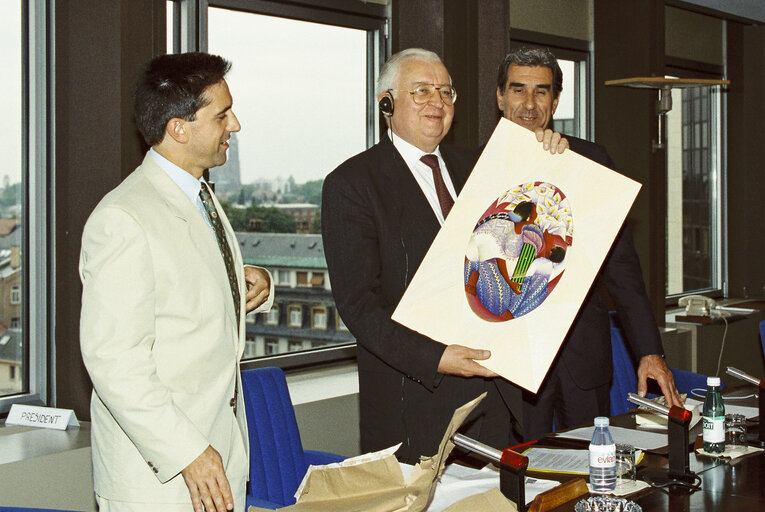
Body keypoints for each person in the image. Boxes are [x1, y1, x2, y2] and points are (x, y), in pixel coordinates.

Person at [321, 48, 564, 465]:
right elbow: (360, 308)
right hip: (414, 402)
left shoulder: (480, 167)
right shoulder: (352, 184)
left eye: (447, 92)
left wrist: (548, 148)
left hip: (496, 399)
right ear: (386, 102)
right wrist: (437, 359)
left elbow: (536, 220)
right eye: (421, 91)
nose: (438, 102)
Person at [79, 52, 273, 512]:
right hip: (161, 482)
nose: (236, 125)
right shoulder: (122, 218)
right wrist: (188, 452)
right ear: (179, 127)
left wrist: (256, 281)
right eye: (222, 114)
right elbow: (114, 361)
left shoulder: (198, 194)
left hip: (216, 464)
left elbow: (188, 292)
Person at [495, 46, 682, 441]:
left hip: (581, 358)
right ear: (500, 96)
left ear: (556, 100)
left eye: (541, 92)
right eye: (518, 90)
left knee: (589, 474)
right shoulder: (472, 169)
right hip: (509, 360)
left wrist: (650, 351)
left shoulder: (590, 162)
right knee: (515, 482)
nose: (529, 104)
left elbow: (623, 270)